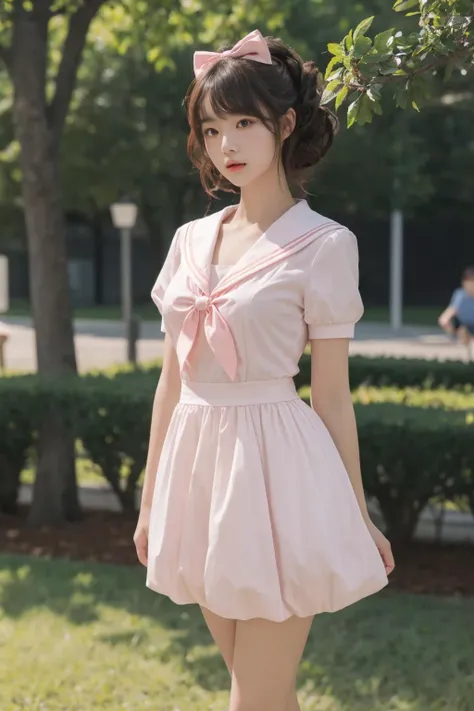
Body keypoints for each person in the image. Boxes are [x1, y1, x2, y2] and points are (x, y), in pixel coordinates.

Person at [133, 29, 394, 711]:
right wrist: (150, 494)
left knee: (253, 697)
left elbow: (333, 398)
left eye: (244, 123)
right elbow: (171, 381)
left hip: (279, 479)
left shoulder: (324, 245)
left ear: (283, 124)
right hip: (199, 477)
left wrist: (357, 510)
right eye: (213, 128)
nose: (227, 145)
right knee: (264, 694)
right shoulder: (191, 240)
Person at [438, 267, 474, 346]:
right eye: (469, 282)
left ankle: (467, 338)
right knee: (460, 328)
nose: (471, 285)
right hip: (462, 324)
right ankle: (458, 338)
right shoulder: (460, 294)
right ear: (464, 283)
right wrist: (445, 318)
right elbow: (453, 308)